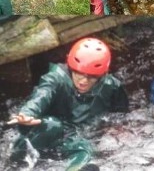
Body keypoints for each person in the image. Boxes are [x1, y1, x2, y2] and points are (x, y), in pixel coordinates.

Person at [8, 38, 129, 170]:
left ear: (102, 75)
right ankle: (15, 165)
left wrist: (118, 128)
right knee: (52, 125)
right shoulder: (56, 78)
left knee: (85, 150)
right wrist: (27, 114)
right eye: (79, 74)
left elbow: (121, 113)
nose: (83, 81)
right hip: (43, 131)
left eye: (91, 77)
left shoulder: (111, 86)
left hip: (71, 137)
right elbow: (41, 96)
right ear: (71, 68)